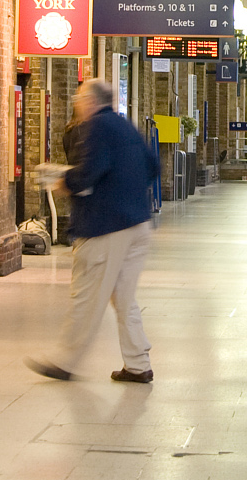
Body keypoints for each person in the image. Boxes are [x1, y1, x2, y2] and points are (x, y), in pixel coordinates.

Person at [28, 79, 158, 383]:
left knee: (87, 296)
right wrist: (127, 190)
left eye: (80, 97)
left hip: (106, 228)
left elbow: (89, 171)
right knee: (124, 298)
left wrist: (64, 182)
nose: (77, 102)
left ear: (91, 100)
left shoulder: (97, 127)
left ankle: (64, 361)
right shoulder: (126, 126)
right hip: (138, 225)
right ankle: (138, 364)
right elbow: (152, 165)